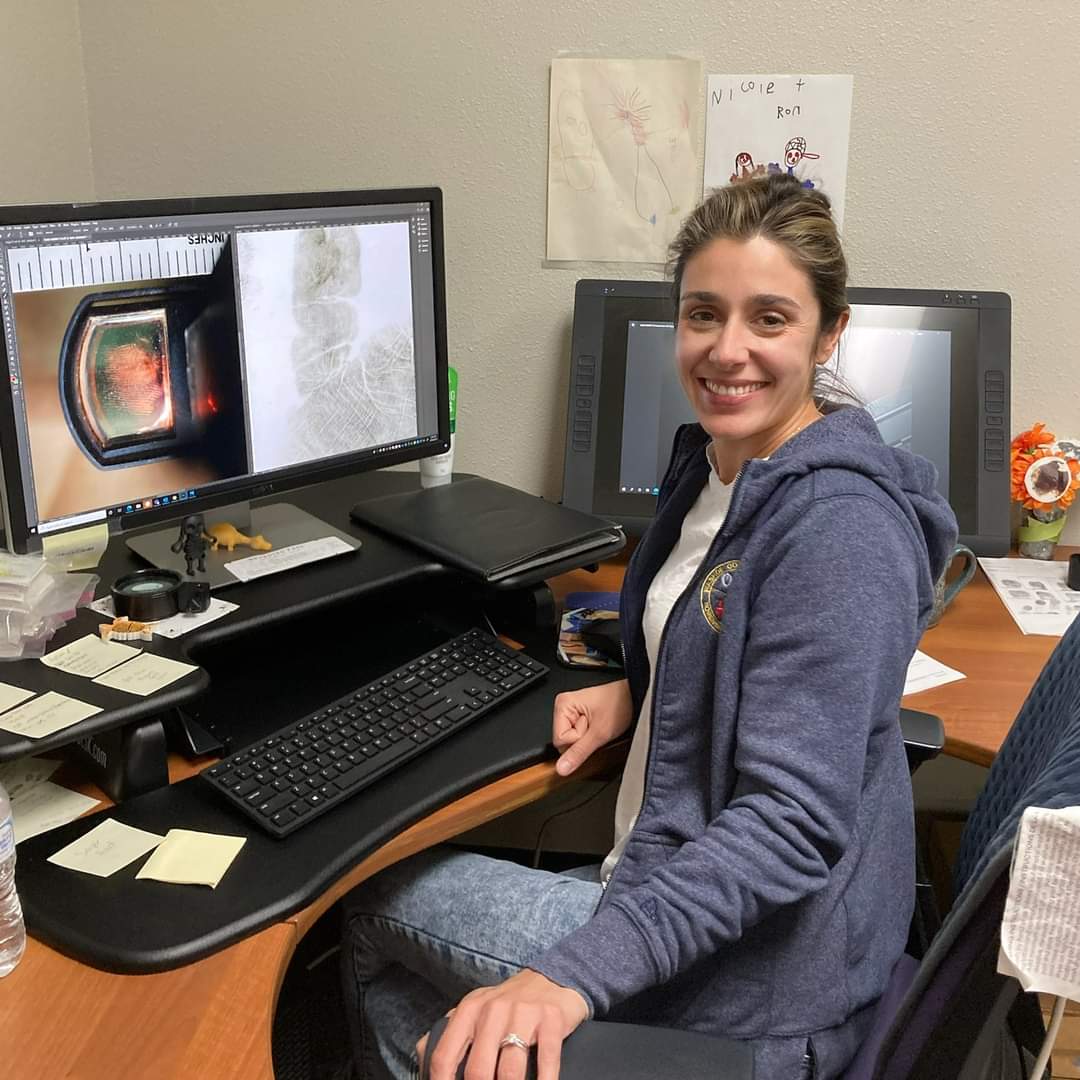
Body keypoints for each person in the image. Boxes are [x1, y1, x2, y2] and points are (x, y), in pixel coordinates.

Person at [340, 172, 957, 1080]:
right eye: (704, 313)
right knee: (416, 998)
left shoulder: (837, 530)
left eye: (770, 319)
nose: (728, 349)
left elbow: (791, 823)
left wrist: (568, 981)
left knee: (365, 908)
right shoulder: (720, 467)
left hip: (763, 983)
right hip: (689, 888)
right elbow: (738, 631)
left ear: (830, 332)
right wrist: (646, 691)